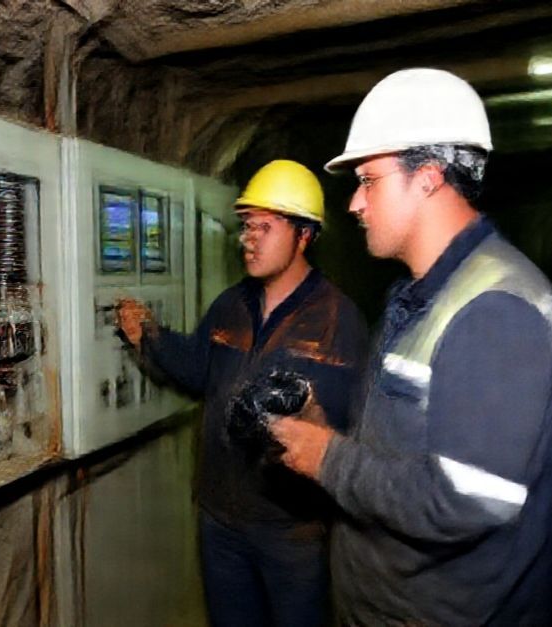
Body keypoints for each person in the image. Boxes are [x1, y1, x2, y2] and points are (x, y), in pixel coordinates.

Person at [270, 68, 552, 625]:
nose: (355, 203)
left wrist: (327, 458)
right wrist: (324, 431)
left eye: (369, 180)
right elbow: (406, 446)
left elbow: (466, 499)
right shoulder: (415, 296)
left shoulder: (498, 309)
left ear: (428, 177)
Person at [117, 159, 367, 627]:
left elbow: (350, 432)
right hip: (221, 521)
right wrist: (148, 335)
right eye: (246, 226)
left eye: (265, 227)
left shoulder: (338, 320)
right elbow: (196, 368)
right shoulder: (231, 305)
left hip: (292, 530)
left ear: (304, 235)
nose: (248, 238)